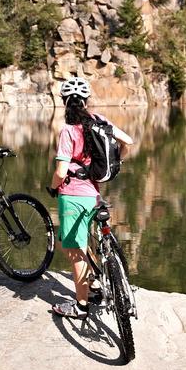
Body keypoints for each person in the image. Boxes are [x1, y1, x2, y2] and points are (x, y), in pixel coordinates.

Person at [46, 77, 135, 318]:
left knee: (74, 250)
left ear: (65, 102)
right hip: (94, 193)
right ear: (86, 101)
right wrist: (118, 161)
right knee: (84, 242)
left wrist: (53, 187)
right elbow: (128, 141)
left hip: (72, 195)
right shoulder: (100, 122)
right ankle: (96, 283)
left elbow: (61, 172)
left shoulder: (68, 131)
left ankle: (81, 306)